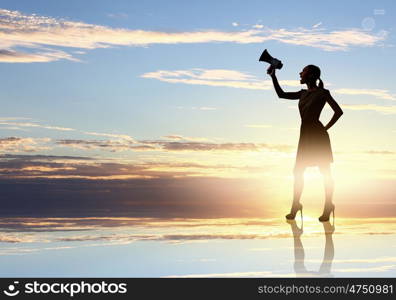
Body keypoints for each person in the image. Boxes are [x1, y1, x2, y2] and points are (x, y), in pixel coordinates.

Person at [268, 65, 343, 222]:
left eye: (303, 71)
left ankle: (328, 205)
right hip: (305, 136)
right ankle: (296, 205)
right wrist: (273, 76)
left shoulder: (323, 93)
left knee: (325, 173)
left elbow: (338, 111)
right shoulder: (302, 93)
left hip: (318, 136)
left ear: (311, 75)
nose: (300, 73)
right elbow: (281, 94)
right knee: (298, 172)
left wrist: (325, 128)